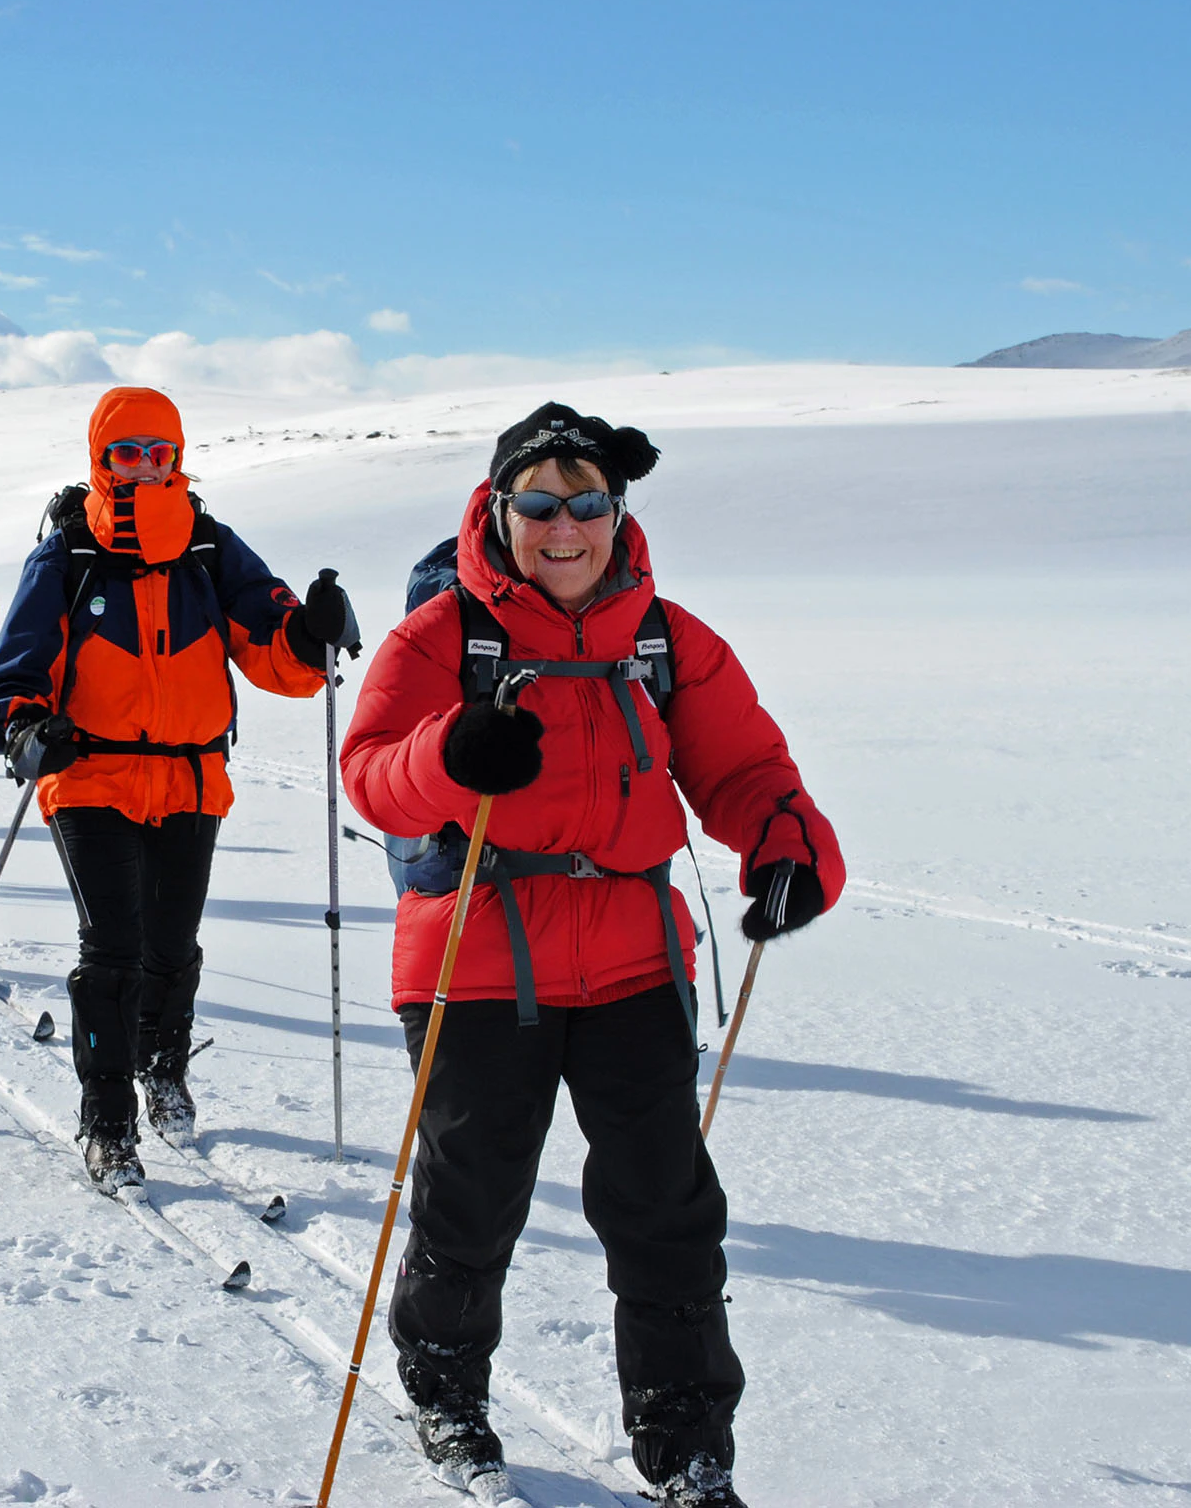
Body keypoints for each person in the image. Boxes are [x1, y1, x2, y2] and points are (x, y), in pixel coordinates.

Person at [338, 403, 846, 1508]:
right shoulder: (442, 639)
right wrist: (451, 752)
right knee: (472, 1201)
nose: (563, 527)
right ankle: (444, 1393)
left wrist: (789, 848)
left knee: (666, 1210)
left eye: (587, 504)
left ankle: (688, 1446)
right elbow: (373, 770)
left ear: (617, 513)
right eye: (538, 505)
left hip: (632, 960)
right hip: (475, 959)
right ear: (499, 511)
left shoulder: (667, 640)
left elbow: (747, 767)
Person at [0, 386, 353, 1192]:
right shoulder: (69, 556)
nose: (145, 467)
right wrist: (23, 727)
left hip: (190, 777)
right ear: (100, 461)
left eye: (159, 453)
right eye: (127, 454)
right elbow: (11, 674)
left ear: (178, 457)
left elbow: (272, 648)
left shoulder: (211, 549)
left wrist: (310, 630)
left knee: (171, 948)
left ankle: (163, 1067)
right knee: (111, 950)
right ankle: (107, 1121)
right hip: (89, 776)